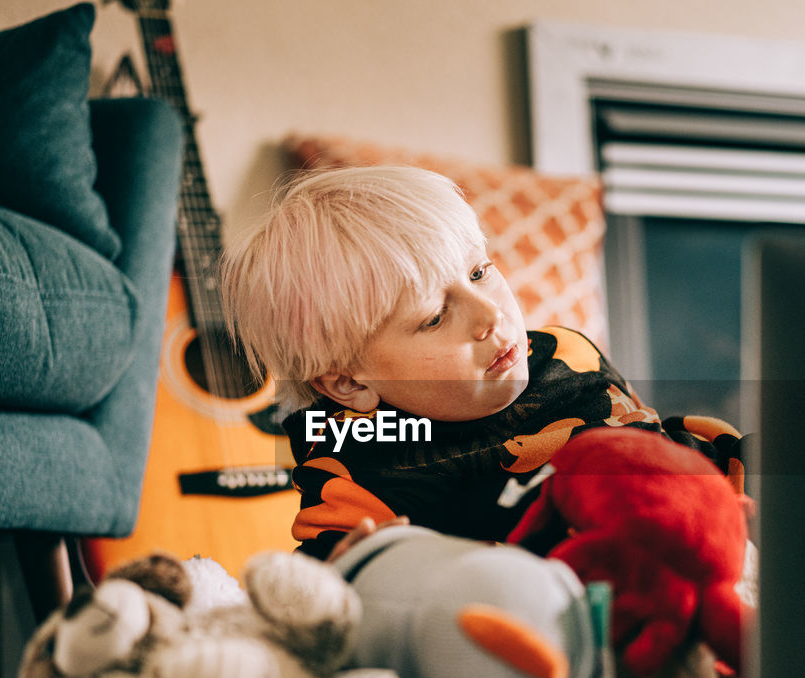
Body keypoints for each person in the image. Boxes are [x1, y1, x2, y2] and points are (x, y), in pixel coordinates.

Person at [222, 165, 665, 561]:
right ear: (348, 384)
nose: (490, 316)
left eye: (479, 273)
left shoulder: (565, 355)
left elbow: (658, 448)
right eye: (434, 317)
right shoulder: (355, 473)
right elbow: (326, 590)